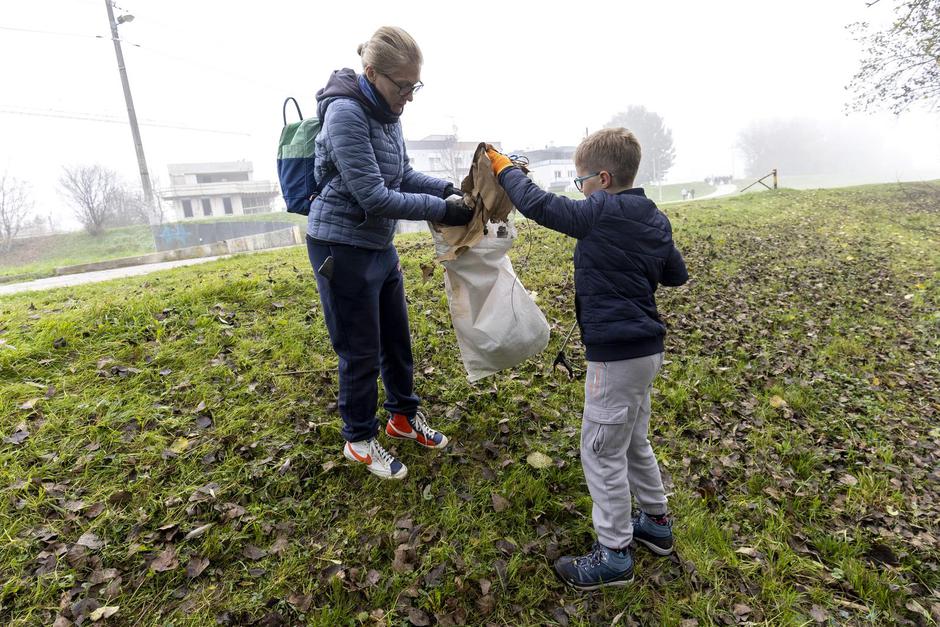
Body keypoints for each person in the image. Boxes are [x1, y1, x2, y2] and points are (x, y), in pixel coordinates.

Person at [486, 128, 688, 590]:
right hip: (646, 353)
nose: (580, 193)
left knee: (600, 451)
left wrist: (506, 169)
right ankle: (656, 524)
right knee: (634, 439)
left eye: (581, 184)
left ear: (602, 178)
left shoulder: (603, 209)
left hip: (615, 357)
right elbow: (675, 274)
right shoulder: (653, 217)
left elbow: (542, 207)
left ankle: (614, 553)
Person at [307, 26, 473, 480]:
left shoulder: (387, 112)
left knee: (396, 339)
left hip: (377, 245)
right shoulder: (345, 114)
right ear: (372, 72)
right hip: (340, 246)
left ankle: (402, 416)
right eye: (403, 86)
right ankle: (358, 438)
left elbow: (400, 174)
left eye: (414, 86)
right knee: (360, 349)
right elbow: (375, 196)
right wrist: (444, 211)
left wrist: (448, 189)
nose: (410, 96)